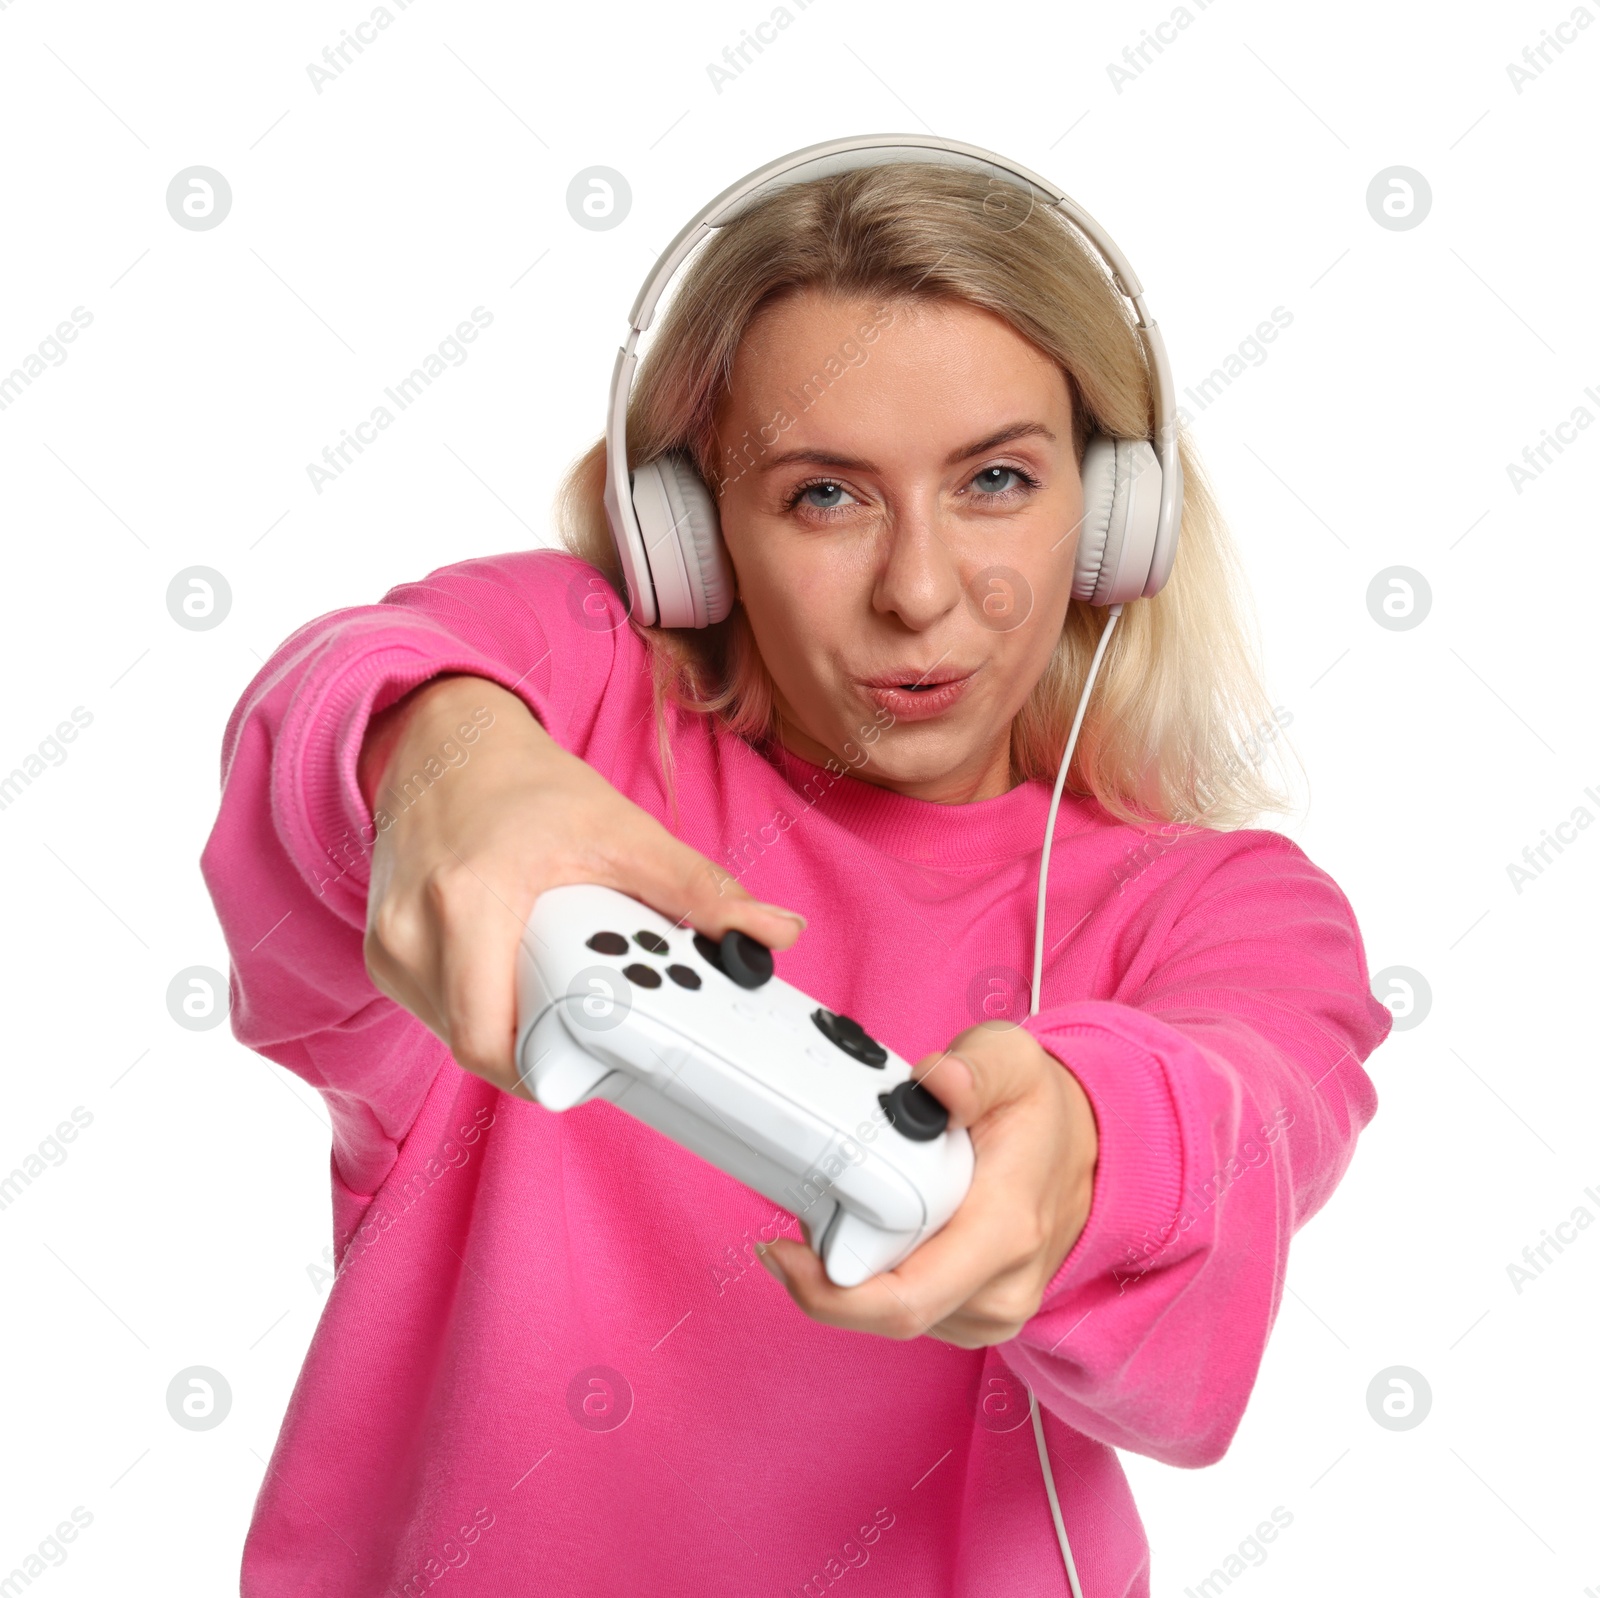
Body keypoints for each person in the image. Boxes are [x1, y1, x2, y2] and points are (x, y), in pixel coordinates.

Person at [201, 155, 1390, 1598]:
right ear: (693, 536)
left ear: (1115, 515)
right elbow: (344, 694)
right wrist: (446, 758)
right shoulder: (573, 703)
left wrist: (1086, 1140)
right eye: (825, 495)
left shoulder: (1225, 904)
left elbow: (1250, 1107)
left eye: (998, 480)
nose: (920, 589)